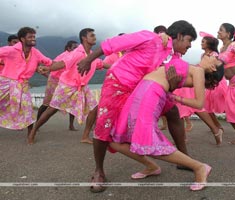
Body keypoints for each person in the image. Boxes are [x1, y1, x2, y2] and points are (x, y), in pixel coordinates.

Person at [77, 20, 216, 192]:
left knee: (172, 110)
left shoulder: (174, 56)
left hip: (141, 90)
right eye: (189, 40)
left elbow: (167, 78)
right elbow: (114, 44)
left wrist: (173, 85)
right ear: (179, 36)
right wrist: (88, 59)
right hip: (119, 83)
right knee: (104, 126)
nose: (189, 45)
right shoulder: (150, 38)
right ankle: (99, 171)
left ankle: (184, 159)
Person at [110, 55, 224, 191]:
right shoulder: (194, 68)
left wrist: (175, 97)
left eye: (214, 58)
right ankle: (151, 166)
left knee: (147, 140)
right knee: (114, 139)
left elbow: (199, 103)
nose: (211, 55)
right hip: (141, 92)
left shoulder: (198, 71)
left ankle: (199, 167)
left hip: (151, 93)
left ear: (212, 67)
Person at [27, 28, 109, 144]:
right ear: (84, 38)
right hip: (67, 85)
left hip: (82, 87)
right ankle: (33, 131)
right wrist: (49, 68)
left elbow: (103, 64)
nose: (95, 37)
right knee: (52, 110)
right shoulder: (76, 53)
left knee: (94, 109)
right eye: (92, 35)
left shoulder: (92, 55)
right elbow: (62, 64)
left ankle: (85, 136)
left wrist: (119, 66)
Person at [0, 27, 54, 136]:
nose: (33, 39)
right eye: (30, 37)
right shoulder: (11, 50)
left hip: (22, 85)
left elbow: (49, 62)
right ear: (22, 39)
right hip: (5, 83)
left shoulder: (35, 52)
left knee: (28, 109)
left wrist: (66, 65)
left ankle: (31, 134)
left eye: (34, 36)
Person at [173, 31, 225, 145]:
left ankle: (216, 129)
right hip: (193, 77)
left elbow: (211, 70)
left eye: (203, 41)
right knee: (184, 107)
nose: (200, 43)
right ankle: (183, 136)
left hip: (200, 79)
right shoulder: (203, 55)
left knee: (198, 107)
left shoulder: (214, 56)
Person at [36, 40, 79, 131]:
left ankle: (71, 125)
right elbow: (52, 65)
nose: (76, 49)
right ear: (68, 48)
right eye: (74, 47)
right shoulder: (63, 56)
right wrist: (48, 75)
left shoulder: (76, 56)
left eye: (77, 47)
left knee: (73, 103)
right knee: (47, 103)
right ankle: (37, 123)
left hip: (67, 82)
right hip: (54, 80)